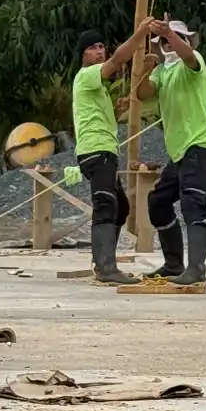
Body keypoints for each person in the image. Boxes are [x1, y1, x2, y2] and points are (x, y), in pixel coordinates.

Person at [134, 17, 206, 288]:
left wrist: (169, 33)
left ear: (185, 41)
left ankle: (197, 268)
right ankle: (173, 263)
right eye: (165, 41)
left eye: (178, 38)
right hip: (180, 152)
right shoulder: (163, 71)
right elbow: (142, 94)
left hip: (200, 145)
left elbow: (189, 55)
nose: (170, 44)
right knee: (158, 202)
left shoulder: (192, 64)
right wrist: (148, 69)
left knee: (193, 205)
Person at [72, 25, 146, 284]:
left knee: (120, 206)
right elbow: (118, 60)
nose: (99, 51)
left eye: (102, 46)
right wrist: (140, 35)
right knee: (105, 203)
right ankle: (106, 267)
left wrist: (116, 110)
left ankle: (102, 261)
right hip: (96, 150)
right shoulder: (86, 75)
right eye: (93, 48)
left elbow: (96, 118)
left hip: (104, 149)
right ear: (83, 55)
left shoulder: (98, 87)